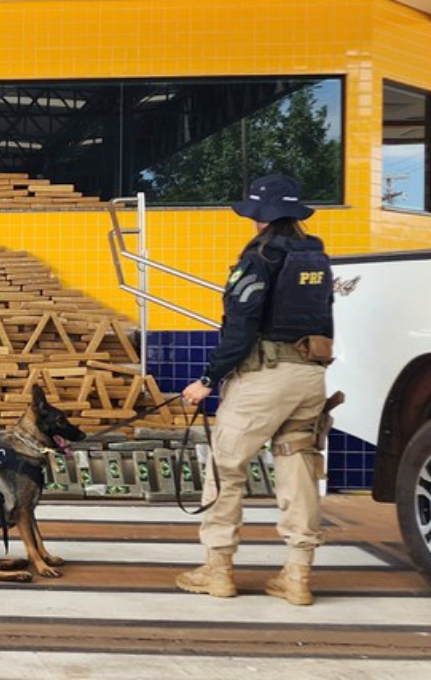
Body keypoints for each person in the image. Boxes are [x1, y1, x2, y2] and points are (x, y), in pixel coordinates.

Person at [175, 173, 335, 606]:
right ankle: (298, 576)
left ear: (261, 218)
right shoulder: (317, 258)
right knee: (298, 468)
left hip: (265, 379)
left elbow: (240, 330)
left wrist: (207, 381)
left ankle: (218, 570)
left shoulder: (259, 258)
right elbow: (327, 322)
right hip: (312, 376)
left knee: (226, 470)